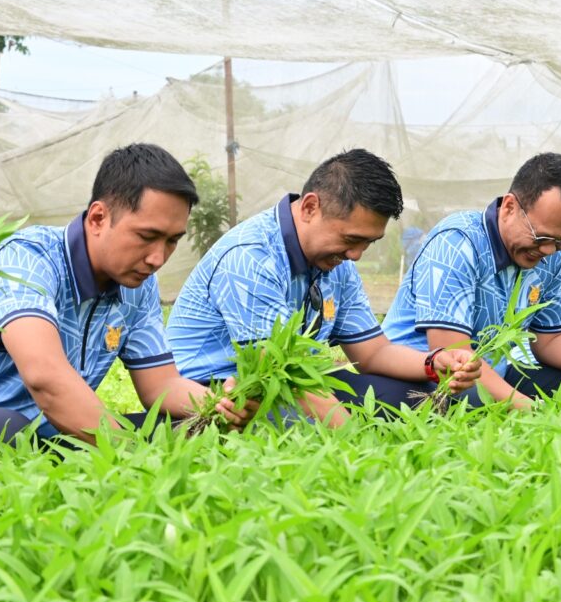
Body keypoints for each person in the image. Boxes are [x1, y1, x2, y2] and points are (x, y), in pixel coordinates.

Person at [0, 144, 252, 444]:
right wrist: (128, 454)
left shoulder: (137, 286)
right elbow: (45, 376)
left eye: (171, 240)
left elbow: (161, 386)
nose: (157, 258)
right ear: (98, 218)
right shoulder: (29, 259)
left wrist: (217, 404)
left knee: (180, 429)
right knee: (0, 424)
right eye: (146, 236)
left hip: (57, 433)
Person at [166, 149, 480, 421]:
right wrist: (353, 438)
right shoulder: (251, 257)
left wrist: (434, 361)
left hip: (295, 380)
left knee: (417, 394)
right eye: (351, 239)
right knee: (304, 422)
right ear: (309, 208)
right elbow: (281, 373)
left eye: (368, 243)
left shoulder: (335, 262)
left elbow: (373, 353)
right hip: (222, 390)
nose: (356, 255)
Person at [382, 152, 561, 409]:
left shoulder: (552, 253)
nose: (548, 250)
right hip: (431, 376)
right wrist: (531, 410)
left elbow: (551, 340)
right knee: (449, 399)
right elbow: (453, 353)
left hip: (493, 372)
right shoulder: (457, 242)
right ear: (510, 207)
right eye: (541, 237)